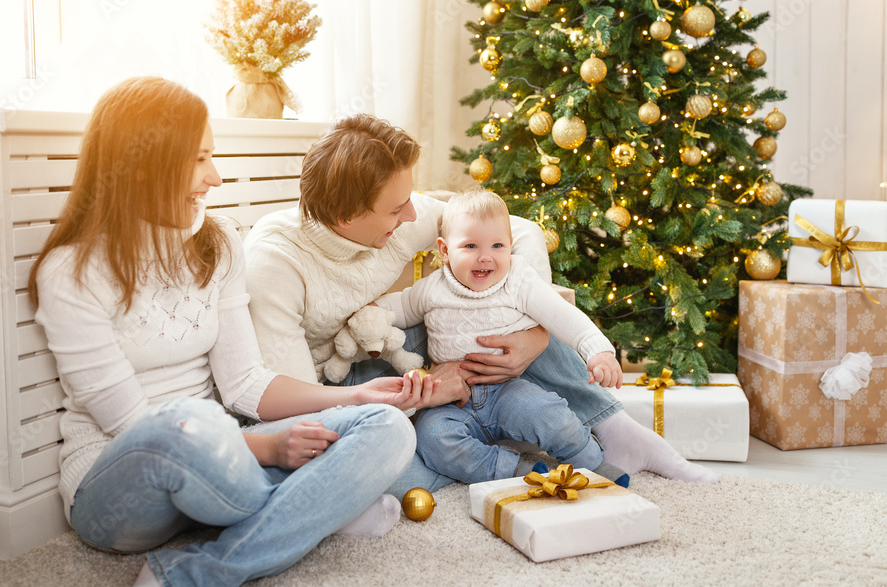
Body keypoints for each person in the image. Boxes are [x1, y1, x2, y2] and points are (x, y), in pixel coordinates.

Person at [28, 77, 432, 587]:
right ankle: (309, 510)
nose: (214, 178)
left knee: (386, 427)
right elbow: (133, 426)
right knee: (184, 423)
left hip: (222, 460)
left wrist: (355, 397)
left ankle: (204, 569)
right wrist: (267, 450)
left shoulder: (217, 245)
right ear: (141, 166)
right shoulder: (70, 273)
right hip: (120, 484)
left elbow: (243, 383)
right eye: (199, 159)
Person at [244, 113, 718, 497]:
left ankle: (615, 430)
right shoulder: (275, 262)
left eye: (410, 201)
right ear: (348, 215)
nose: (412, 216)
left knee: (492, 293)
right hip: (350, 375)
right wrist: (427, 382)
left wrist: (532, 337)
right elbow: (295, 408)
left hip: (421, 344)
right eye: (396, 209)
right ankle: (516, 464)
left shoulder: (404, 214)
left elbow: (522, 232)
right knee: (403, 469)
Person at [372, 189, 623, 484]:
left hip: (507, 390)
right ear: (444, 250)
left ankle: (589, 461)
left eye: (497, 245)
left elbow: (561, 315)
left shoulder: (518, 279)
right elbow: (398, 307)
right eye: (470, 246)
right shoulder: (431, 288)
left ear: (510, 247)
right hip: (450, 402)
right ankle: (513, 471)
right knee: (433, 439)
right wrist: (368, 313)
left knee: (550, 414)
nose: (485, 257)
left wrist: (598, 351)